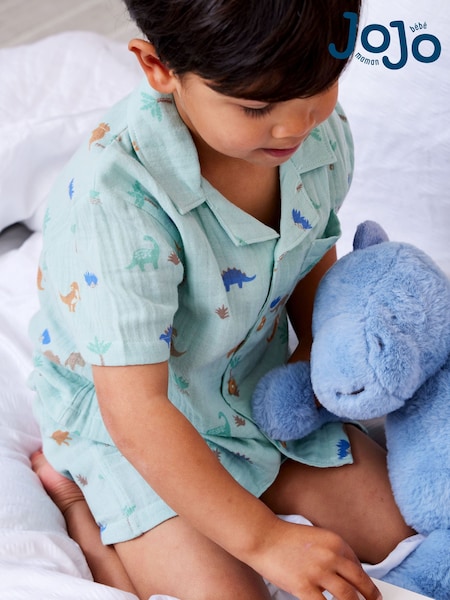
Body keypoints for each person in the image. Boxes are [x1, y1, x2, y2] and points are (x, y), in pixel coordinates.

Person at [29, 1, 415, 599]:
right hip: (138, 420)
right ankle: (82, 509)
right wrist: (264, 539)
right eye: (257, 107)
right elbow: (136, 411)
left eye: (321, 84)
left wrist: (314, 359)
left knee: (402, 529)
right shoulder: (116, 203)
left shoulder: (317, 134)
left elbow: (309, 248)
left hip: (254, 382)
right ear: (159, 68)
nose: (295, 125)